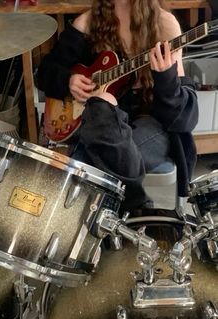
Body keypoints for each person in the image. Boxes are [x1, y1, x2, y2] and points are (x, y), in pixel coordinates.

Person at [37, 0, 198, 214]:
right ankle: (137, 210)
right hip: (100, 123)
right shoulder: (87, 23)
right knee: (103, 104)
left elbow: (184, 118)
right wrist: (68, 80)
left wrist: (166, 78)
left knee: (85, 167)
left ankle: (120, 214)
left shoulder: (164, 25)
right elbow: (45, 74)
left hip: (149, 126)